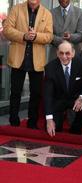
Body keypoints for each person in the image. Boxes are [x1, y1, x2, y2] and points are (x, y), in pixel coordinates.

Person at [3, 0, 53, 129]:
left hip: (37, 61)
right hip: (18, 59)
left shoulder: (47, 13)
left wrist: (36, 36)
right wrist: (23, 36)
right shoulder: (16, 9)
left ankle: (32, 123)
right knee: (15, 92)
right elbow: (7, 30)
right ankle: (13, 121)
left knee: (36, 93)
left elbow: (49, 36)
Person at [44, 40, 82, 137]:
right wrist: (49, 119)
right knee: (55, 130)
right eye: (61, 53)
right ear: (57, 53)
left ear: (73, 53)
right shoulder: (50, 67)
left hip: (75, 98)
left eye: (67, 53)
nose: (64, 57)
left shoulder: (81, 64)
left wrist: (81, 97)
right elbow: (48, 94)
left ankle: (75, 130)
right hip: (59, 100)